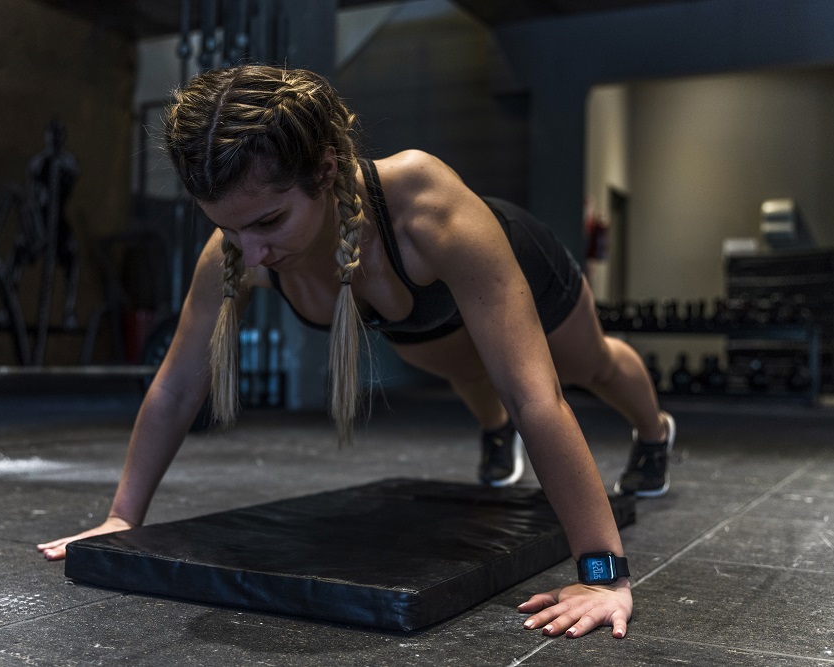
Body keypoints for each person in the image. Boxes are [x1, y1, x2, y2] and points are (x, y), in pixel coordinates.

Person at [38, 64, 676, 640]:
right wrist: (122, 519)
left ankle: (653, 433)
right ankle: (492, 430)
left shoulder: (428, 210)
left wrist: (603, 573)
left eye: (267, 222)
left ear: (324, 169)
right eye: (225, 225)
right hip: (422, 325)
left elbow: (536, 396)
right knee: (456, 363)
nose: (248, 250)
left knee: (584, 367)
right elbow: (178, 385)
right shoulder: (238, 252)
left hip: (522, 270)